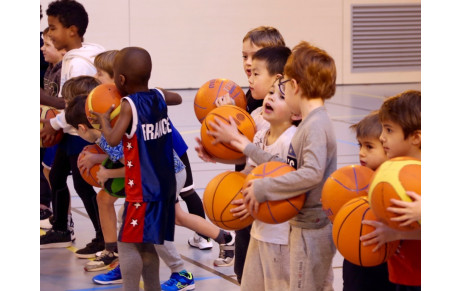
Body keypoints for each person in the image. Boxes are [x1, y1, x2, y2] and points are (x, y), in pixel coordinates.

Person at [67, 92, 235, 289]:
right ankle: (224, 238)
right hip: (166, 174)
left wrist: (107, 174)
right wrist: (98, 160)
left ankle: (181, 273)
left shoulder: (110, 137)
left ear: (81, 128)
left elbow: (135, 166)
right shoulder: (113, 129)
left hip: (165, 176)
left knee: (149, 224)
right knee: (172, 217)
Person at [210, 41, 337, 291]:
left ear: (295, 86)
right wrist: (245, 148)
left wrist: (265, 187)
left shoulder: (315, 125)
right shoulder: (313, 122)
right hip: (300, 227)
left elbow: (310, 174)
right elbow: (285, 166)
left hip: (311, 230)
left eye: (284, 84)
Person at [195, 26, 286, 282]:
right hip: (246, 188)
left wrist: (235, 135)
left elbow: (272, 159)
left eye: (254, 57)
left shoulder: (282, 112)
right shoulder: (251, 98)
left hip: (272, 207)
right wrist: (218, 154)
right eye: (244, 56)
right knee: (245, 269)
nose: (247, 63)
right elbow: (249, 155)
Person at [40, 0, 105, 255]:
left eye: (53, 28)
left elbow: (77, 107)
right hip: (70, 130)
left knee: (82, 184)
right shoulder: (74, 56)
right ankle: (62, 229)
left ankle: (102, 237)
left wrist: (52, 122)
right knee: (56, 177)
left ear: (72, 30)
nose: (50, 33)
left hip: (81, 132)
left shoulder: (79, 63)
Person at [360, 90, 421, 291]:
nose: (381, 136)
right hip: (402, 273)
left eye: (388, 130)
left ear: (415, 137)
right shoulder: (390, 170)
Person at [342, 111, 396, 291]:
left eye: (369, 146)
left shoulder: (394, 183)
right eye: (360, 145)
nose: (361, 153)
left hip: (381, 261)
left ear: (388, 147)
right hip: (355, 258)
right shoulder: (356, 178)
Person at [40, 26, 66, 223]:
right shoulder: (49, 69)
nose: (42, 48)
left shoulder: (63, 71)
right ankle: (60, 219)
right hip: (52, 127)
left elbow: (62, 103)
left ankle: (64, 221)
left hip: (62, 130)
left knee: (56, 176)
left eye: (47, 44)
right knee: (49, 172)